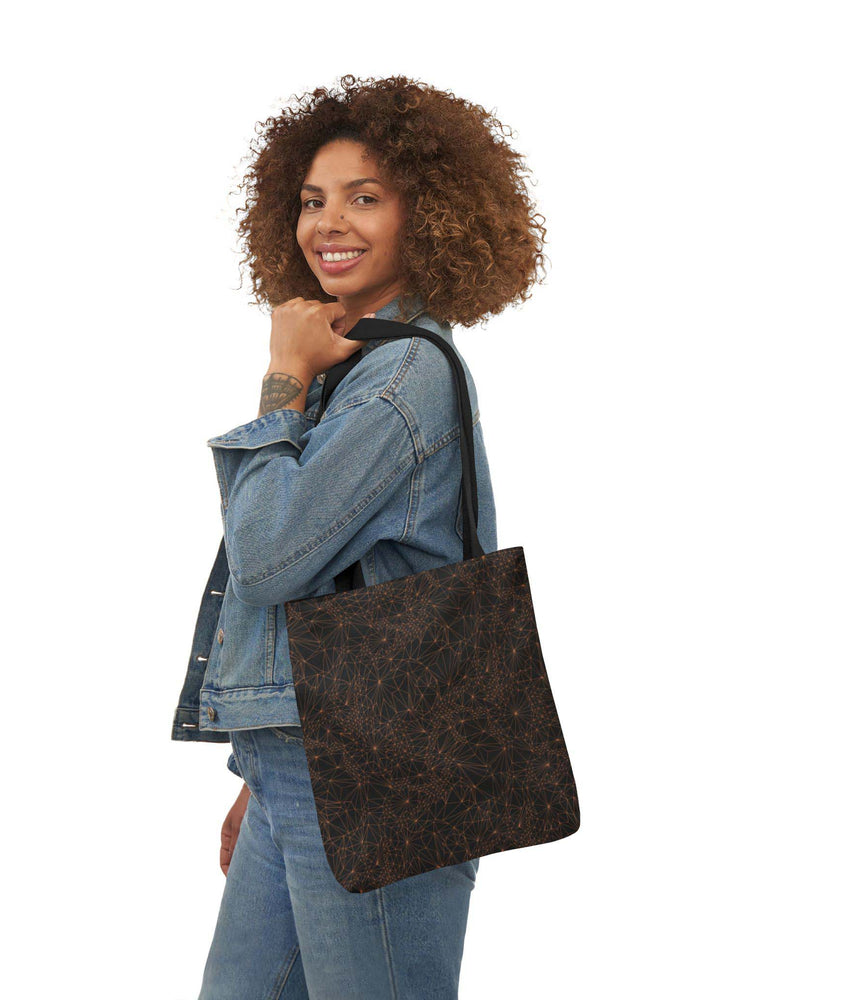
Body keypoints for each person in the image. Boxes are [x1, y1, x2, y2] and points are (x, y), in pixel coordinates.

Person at [171, 73, 547, 999]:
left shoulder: (400, 377)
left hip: (374, 770)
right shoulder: (363, 366)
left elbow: (270, 560)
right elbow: (328, 594)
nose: (326, 224)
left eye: (364, 198)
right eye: (310, 201)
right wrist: (262, 767)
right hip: (305, 759)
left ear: (430, 215)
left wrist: (281, 382)